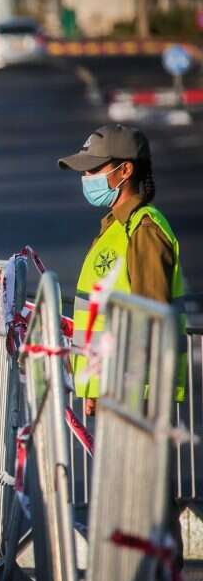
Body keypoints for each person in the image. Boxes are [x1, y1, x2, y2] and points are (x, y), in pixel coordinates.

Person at [58, 123, 186, 415]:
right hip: (113, 390)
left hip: (133, 395)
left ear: (125, 171)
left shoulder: (144, 229)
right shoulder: (116, 226)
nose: (85, 178)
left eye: (93, 170)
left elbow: (152, 316)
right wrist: (93, 387)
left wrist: (133, 394)